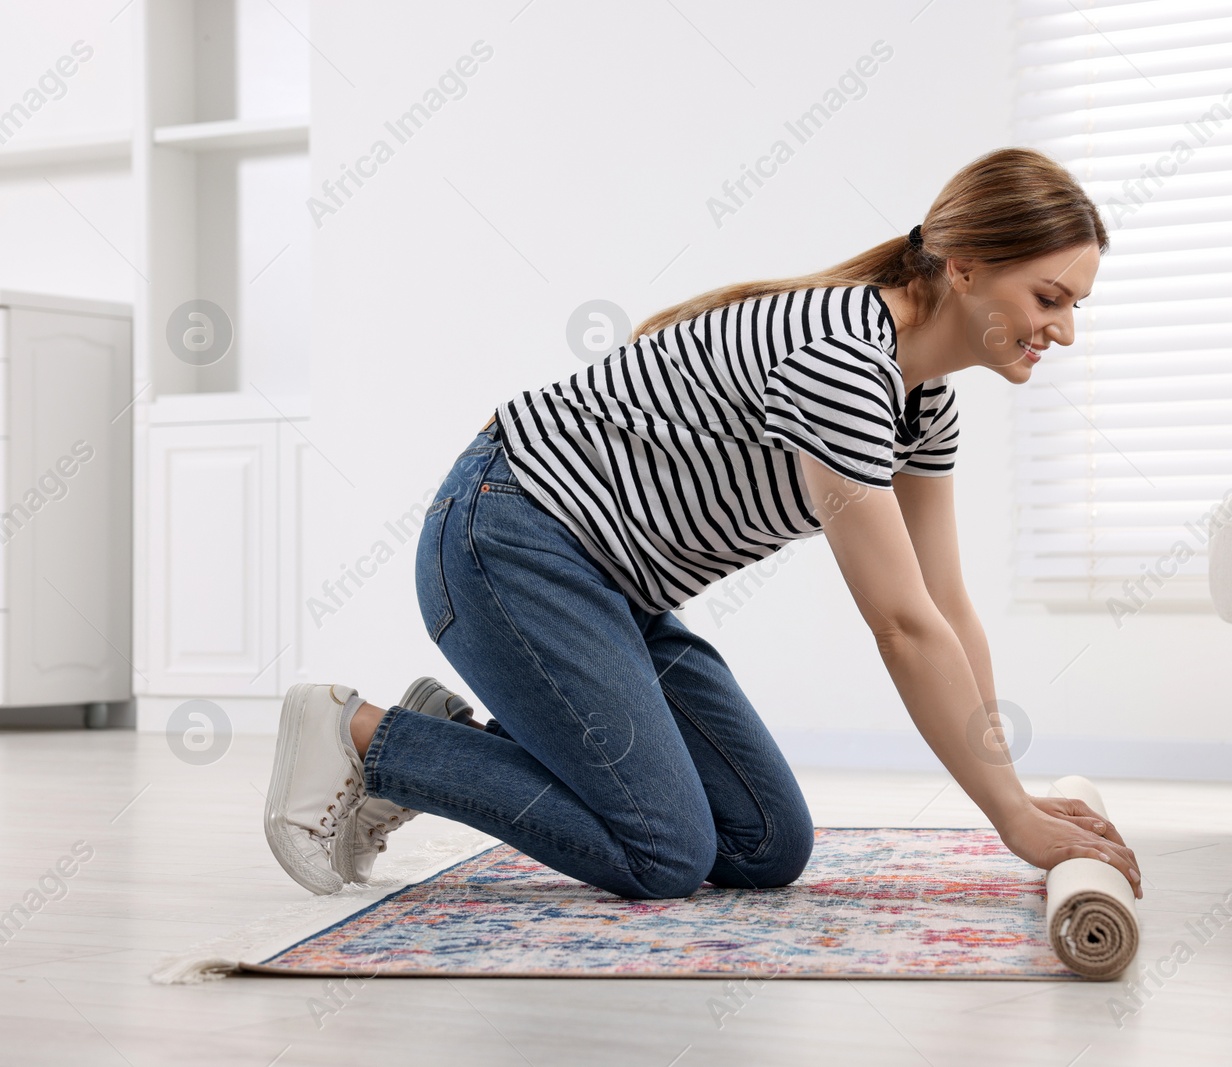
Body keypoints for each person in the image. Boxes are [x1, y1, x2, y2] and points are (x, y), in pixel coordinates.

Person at [262, 146, 1142, 902]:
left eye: (1075, 306)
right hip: (507, 544)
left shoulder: (925, 404)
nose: (1061, 330)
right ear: (967, 266)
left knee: (765, 843)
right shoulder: (844, 361)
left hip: (610, 593)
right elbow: (902, 626)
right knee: (665, 852)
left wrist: (1013, 792)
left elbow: (945, 604)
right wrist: (1009, 820)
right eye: (1049, 297)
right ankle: (370, 739)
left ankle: (444, 733)